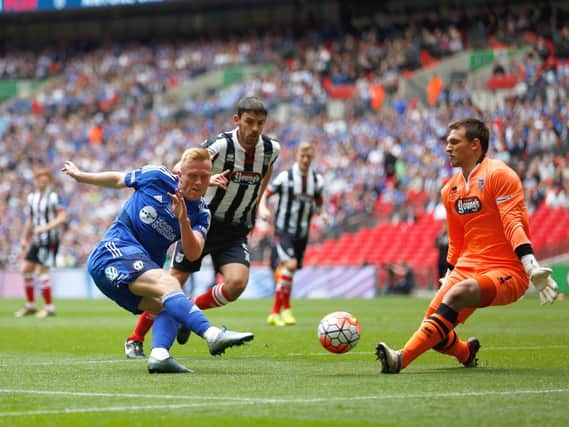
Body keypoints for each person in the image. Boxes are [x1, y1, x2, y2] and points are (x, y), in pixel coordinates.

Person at [375, 118, 559, 374]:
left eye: (454, 142)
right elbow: (456, 239)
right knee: (435, 329)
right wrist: (450, 272)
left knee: (457, 296)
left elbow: (512, 222)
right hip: (465, 267)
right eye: (447, 142)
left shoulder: (499, 174)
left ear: (475, 145)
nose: (447, 148)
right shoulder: (449, 190)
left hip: (505, 270)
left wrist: (530, 265)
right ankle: (465, 352)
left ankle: (400, 359)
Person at [62, 148, 254, 374]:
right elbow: (117, 179)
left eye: (204, 177)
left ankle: (159, 355)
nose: (198, 182)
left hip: (134, 274)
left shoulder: (201, 213)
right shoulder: (156, 177)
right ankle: (212, 334)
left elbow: (194, 253)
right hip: (112, 251)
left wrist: (183, 219)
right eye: (192, 175)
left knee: (170, 304)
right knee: (171, 284)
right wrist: (80, 175)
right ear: (179, 172)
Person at [124, 96, 279, 358]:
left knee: (236, 284)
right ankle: (135, 339)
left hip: (235, 228)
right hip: (202, 223)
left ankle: (188, 311)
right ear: (237, 120)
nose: (254, 129)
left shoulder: (271, 149)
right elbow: (179, 169)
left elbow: (266, 173)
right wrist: (207, 180)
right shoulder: (220, 144)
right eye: (249, 122)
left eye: (260, 124)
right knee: (172, 282)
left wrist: (255, 205)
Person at [258, 141, 328, 326]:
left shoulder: (316, 181)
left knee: (289, 271)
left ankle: (278, 312)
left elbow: (319, 204)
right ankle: (282, 310)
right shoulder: (285, 177)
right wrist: (263, 208)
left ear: (312, 158)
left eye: (309, 157)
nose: (305, 160)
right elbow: (266, 193)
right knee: (290, 265)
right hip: (283, 230)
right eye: (302, 156)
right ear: (297, 156)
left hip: (302, 233)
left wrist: (323, 214)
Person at [15, 167, 67, 318]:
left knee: (41, 271)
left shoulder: (53, 197)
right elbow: (31, 220)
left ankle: (49, 308)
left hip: (50, 239)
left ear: (49, 181)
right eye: (39, 179)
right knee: (25, 270)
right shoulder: (32, 197)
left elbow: (62, 217)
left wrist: (45, 227)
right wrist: (24, 238)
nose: (42, 181)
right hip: (37, 240)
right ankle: (31, 306)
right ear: (36, 181)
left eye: (45, 179)